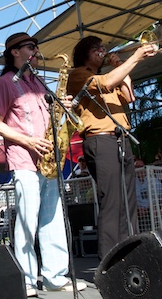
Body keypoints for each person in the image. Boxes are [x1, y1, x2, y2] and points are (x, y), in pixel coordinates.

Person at [0, 32, 78, 297]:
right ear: (15, 52)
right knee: (27, 219)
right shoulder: (5, 82)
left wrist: (63, 105)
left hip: (48, 159)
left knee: (52, 218)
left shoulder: (39, 83)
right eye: (31, 47)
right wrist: (29, 142)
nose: (36, 51)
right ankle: (27, 279)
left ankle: (55, 276)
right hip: (24, 158)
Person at [67, 36, 156, 259]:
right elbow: (106, 83)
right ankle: (109, 256)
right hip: (100, 139)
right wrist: (136, 56)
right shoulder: (80, 74)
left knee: (128, 199)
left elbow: (129, 96)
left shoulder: (108, 75)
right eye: (96, 48)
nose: (102, 50)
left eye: (103, 48)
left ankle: (131, 249)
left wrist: (120, 65)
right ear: (85, 54)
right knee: (112, 199)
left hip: (120, 138)